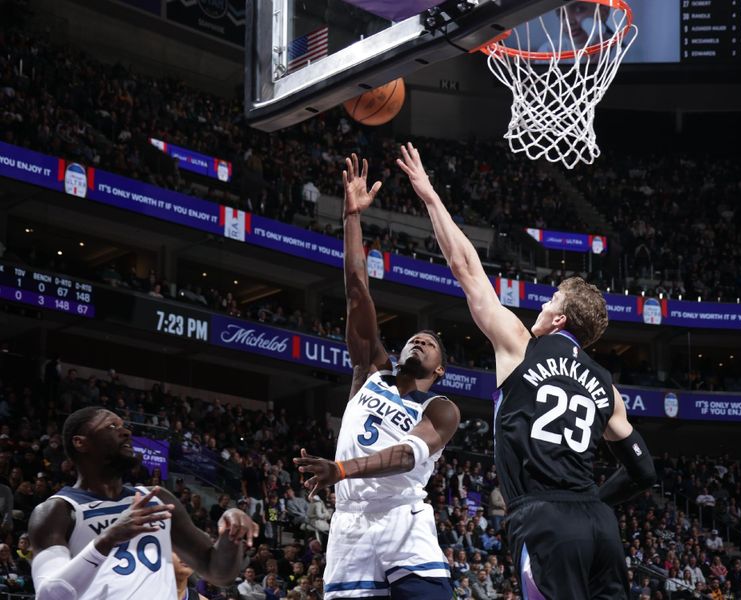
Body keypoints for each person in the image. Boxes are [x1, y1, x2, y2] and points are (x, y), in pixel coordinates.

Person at [397, 142, 656, 600]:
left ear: (559, 320)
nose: (542, 303)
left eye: (551, 299)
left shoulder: (518, 343)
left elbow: (465, 268)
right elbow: (643, 472)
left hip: (545, 519)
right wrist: (596, 500)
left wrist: (430, 196)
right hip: (600, 528)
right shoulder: (606, 386)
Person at [293, 154, 460, 599]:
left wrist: (341, 469)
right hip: (349, 523)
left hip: (402, 519)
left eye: (431, 343)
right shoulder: (370, 369)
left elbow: (407, 456)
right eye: (414, 337)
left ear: (440, 369)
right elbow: (356, 291)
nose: (419, 341)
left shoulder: (440, 409)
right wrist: (350, 216)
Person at [28, 407, 258, 599]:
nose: (126, 432)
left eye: (123, 426)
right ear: (80, 442)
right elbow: (49, 594)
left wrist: (231, 534)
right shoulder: (56, 511)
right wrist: (108, 539)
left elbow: (218, 572)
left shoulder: (158, 498)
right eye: (111, 427)